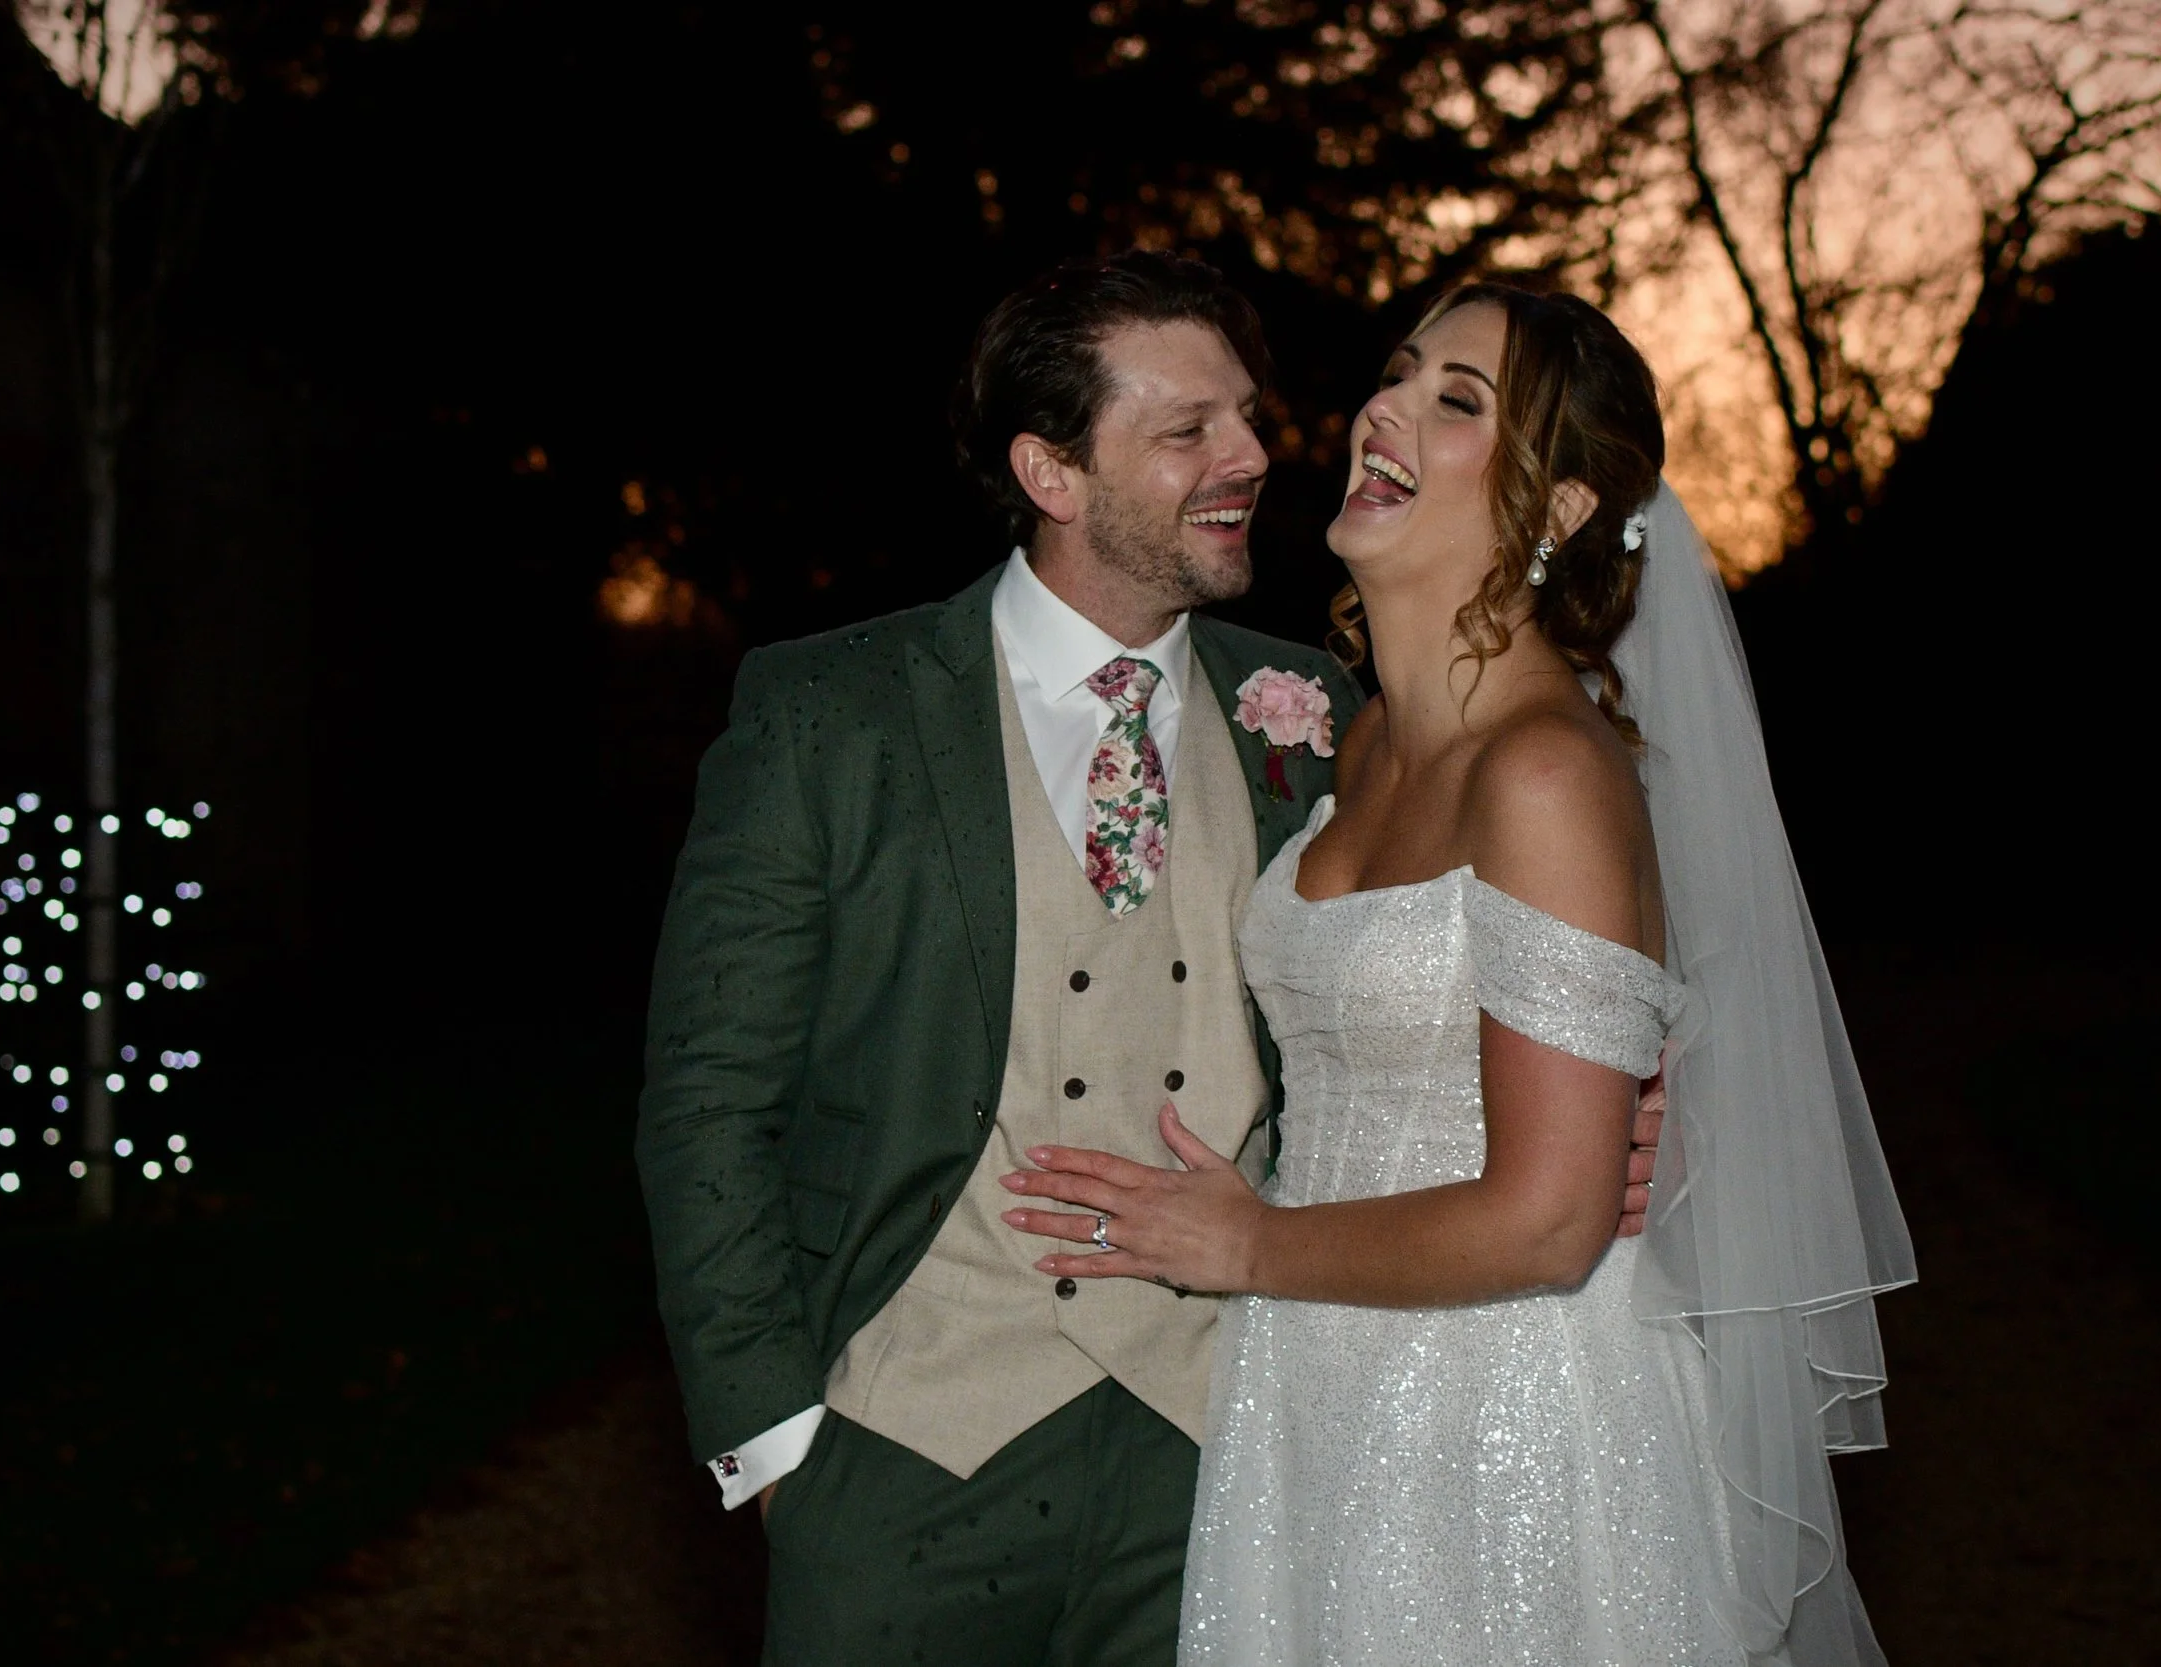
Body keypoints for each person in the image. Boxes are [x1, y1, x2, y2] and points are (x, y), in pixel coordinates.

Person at [637, 251, 1666, 1665]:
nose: (1253, 454)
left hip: (1229, 1444)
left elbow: (1532, 969)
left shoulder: (1315, 712)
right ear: (1055, 475)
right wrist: (779, 1446)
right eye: (1187, 431)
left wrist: (1619, 1107)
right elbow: (707, 1098)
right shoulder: (836, 714)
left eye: (1247, 414)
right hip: (902, 1455)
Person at [1000, 284, 1917, 1665]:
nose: (1389, 406)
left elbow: (1550, 1221)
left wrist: (1248, 1240)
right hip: (1315, 1383)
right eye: (1402, 370)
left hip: (1514, 1422)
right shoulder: (1356, 747)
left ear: (1554, 512)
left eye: (1459, 401)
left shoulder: (1544, 771)